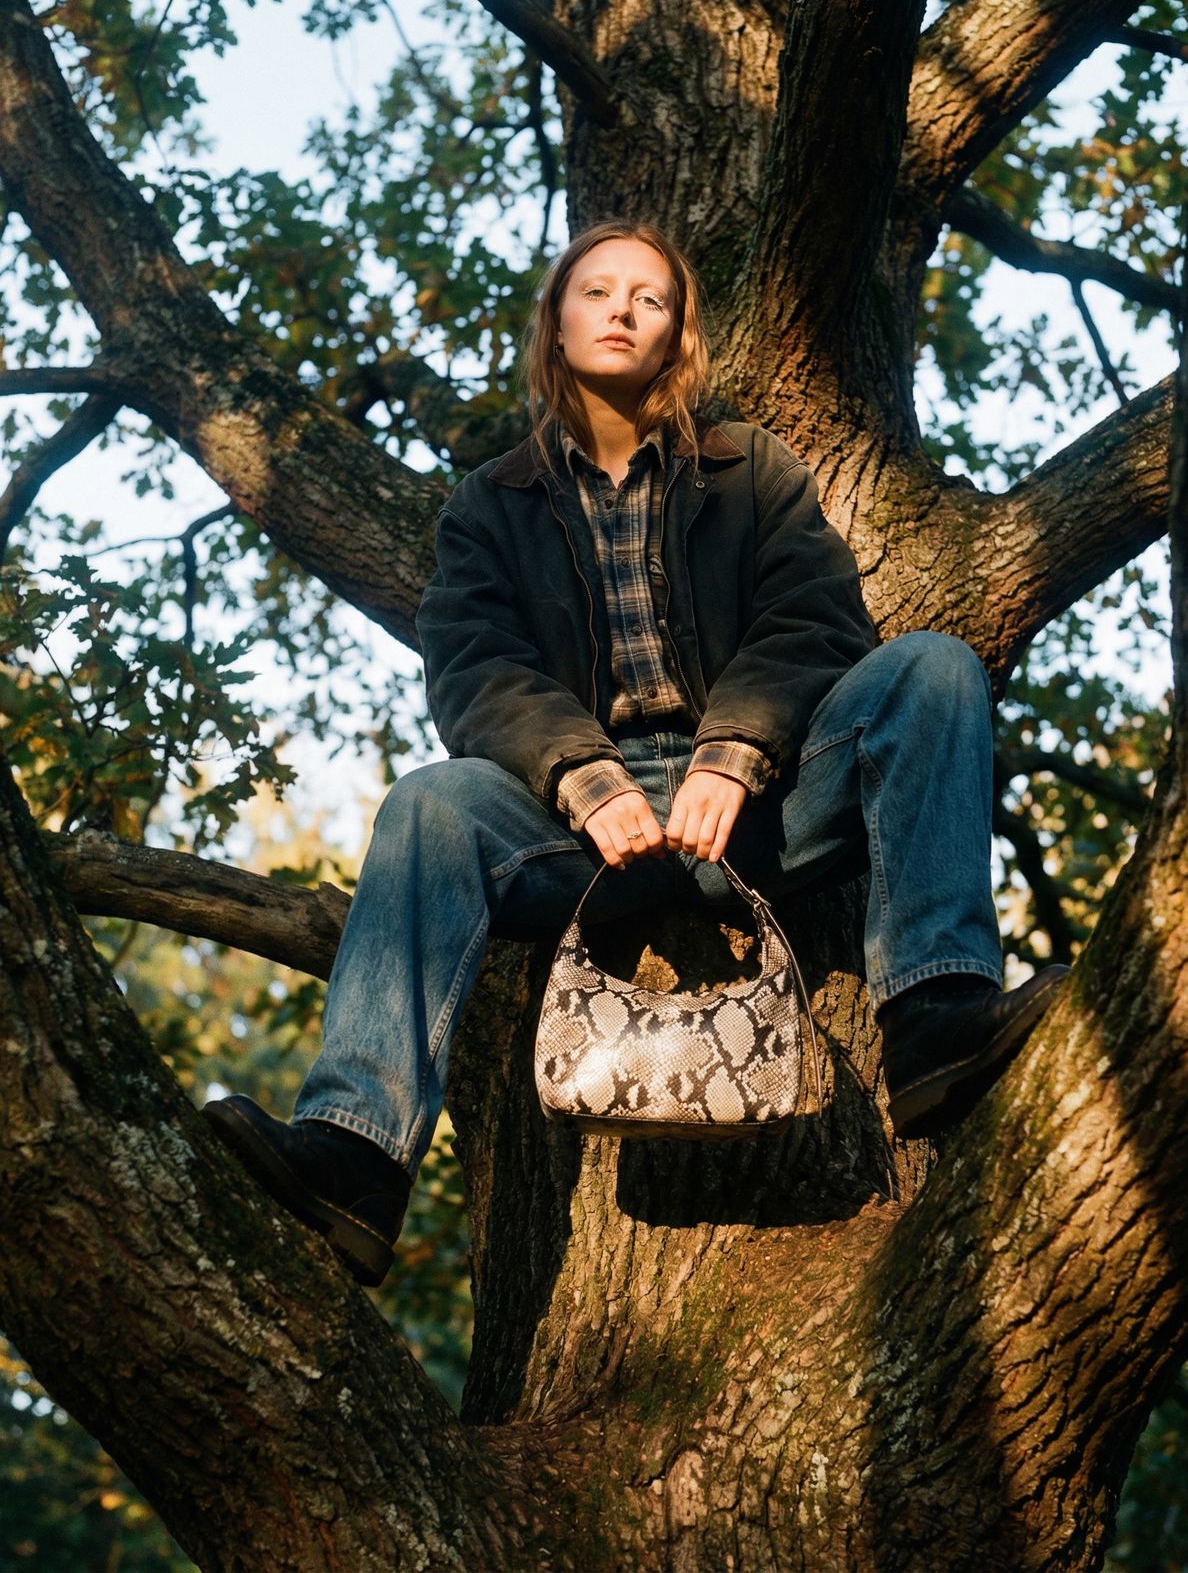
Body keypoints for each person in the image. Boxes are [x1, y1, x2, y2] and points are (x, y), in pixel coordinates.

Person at [204, 221, 1068, 1286]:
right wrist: (581, 774)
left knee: (933, 667)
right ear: (556, 322)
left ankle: (936, 1017)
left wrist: (733, 751)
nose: (618, 309)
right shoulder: (490, 505)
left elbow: (815, 621)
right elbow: (475, 669)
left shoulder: (751, 470)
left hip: (758, 811)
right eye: (596, 291)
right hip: (581, 836)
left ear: (676, 336)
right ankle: (354, 1152)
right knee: (430, 802)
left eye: (647, 298)